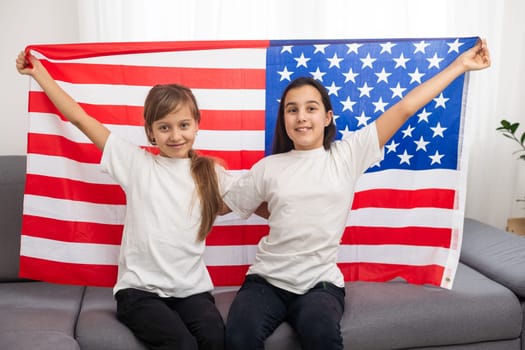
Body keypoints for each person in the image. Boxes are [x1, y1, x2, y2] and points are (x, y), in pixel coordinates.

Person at [222, 39, 491, 349]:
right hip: (265, 281)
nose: (301, 117)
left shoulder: (346, 155)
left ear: (327, 117)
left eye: (311, 108)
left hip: (319, 285)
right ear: (284, 119)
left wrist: (460, 65)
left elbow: (403, 110)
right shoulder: (269, 167)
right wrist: (197, 171)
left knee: (321, 336)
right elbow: (228, 203)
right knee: (239, 337)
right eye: (291, 110)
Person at [16, 51, 234, 350]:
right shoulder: (136, 163)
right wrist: (39, 74)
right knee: (181, 344)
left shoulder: (210, 172)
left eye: (183, 125)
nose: (175, 135)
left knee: (215, 338)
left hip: (191, 291)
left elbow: (256, 196)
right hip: (139, 293)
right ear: (151, 132)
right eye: (164, 127)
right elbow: (80, 118)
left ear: (197, 125)